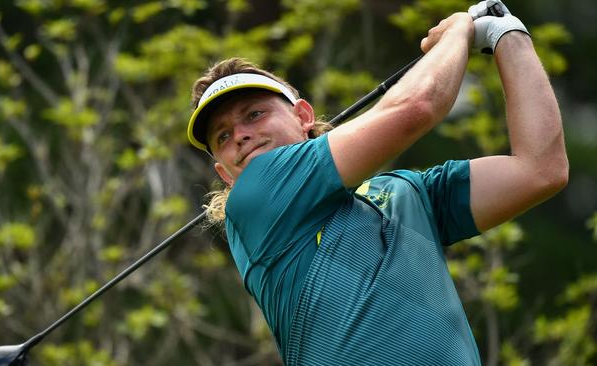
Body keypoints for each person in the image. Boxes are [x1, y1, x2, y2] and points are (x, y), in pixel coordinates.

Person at [186, 1, 568, 364]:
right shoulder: (257, 195)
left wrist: (507, 32)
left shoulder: (403, 194)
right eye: (222, 137)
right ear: (224, 174)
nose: (239, 136)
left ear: (303, 115)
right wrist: (459, 31)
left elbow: (540, 169)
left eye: (254, 114)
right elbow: (417, 107)